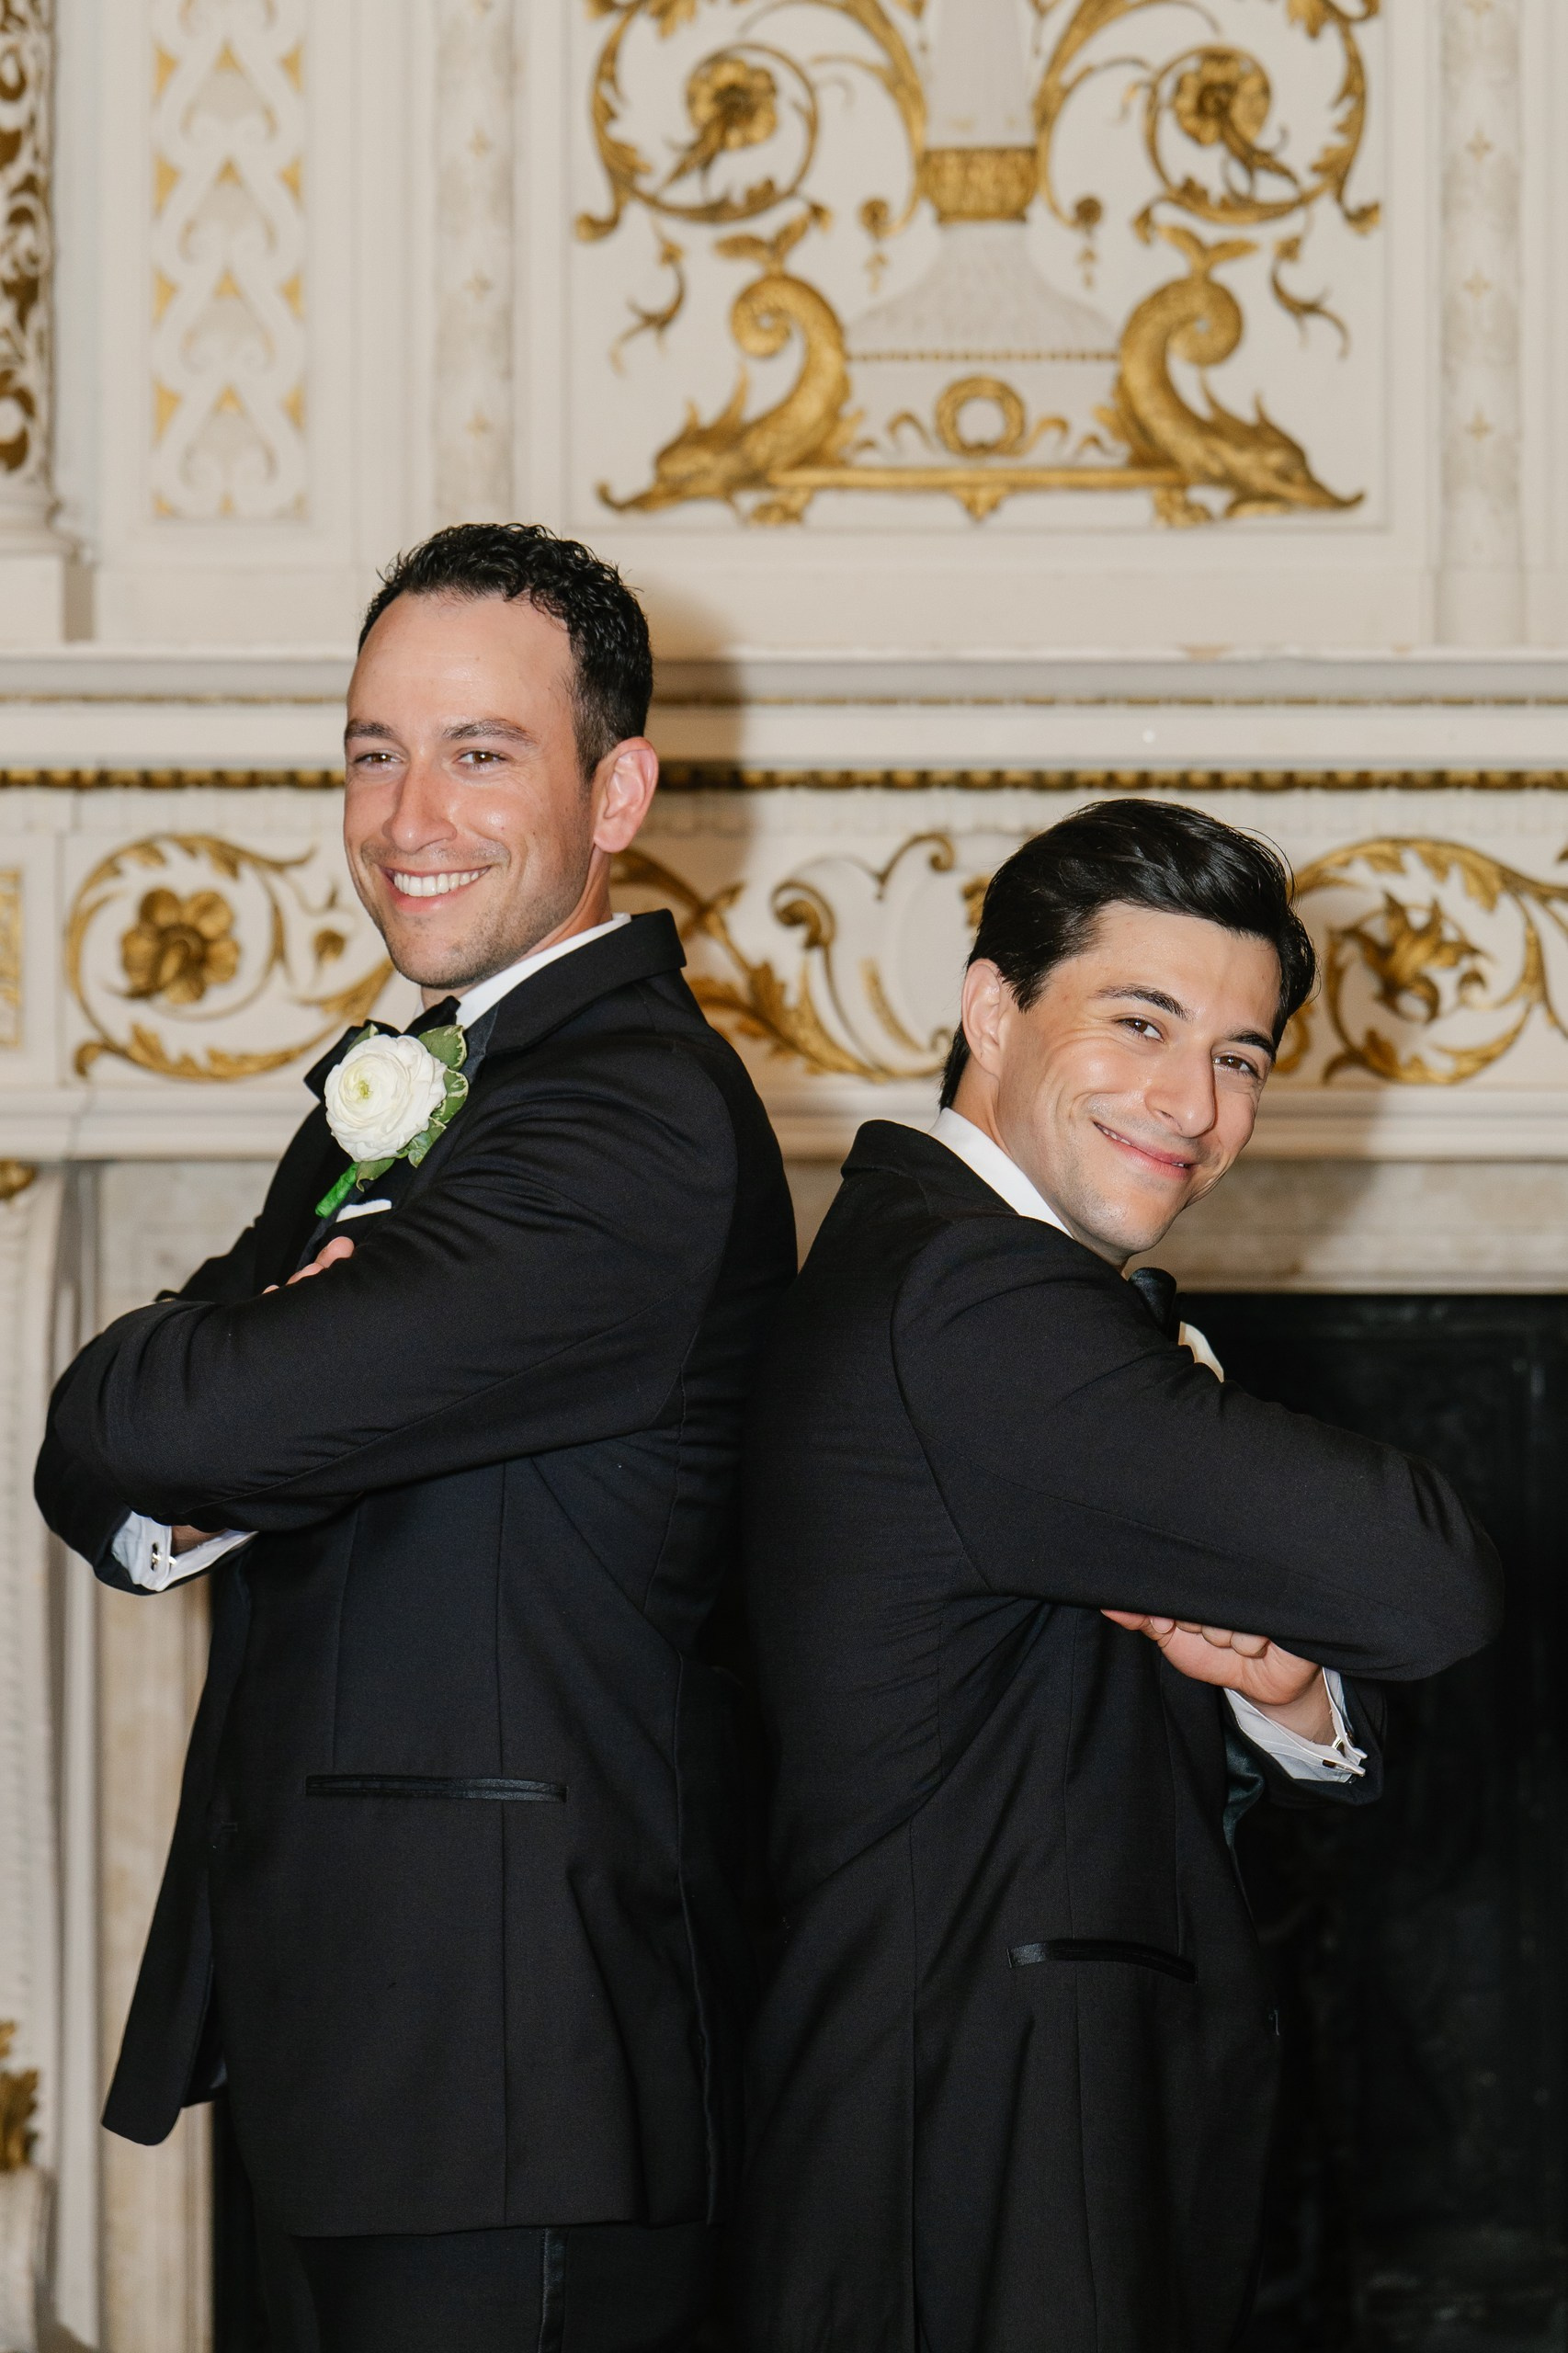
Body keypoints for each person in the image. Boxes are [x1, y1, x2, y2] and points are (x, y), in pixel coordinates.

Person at [36, 523, 797, 2353]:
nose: (405, 816)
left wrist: (236, 1395)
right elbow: (90, 1442)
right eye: (373, 750)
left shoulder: (625, 1117)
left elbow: (167, 1403)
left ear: (618, 792)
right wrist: (242, 1397)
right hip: (384, 2057)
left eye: (479, 752)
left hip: (518, 2073)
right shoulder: (431, 1085)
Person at [735, 801, 1502, 2353]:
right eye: (1138, 1023)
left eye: (1239, 1058)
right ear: (990, 1008)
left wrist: (1287, 1691)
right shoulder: (972, 1297)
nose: (1190, 1103)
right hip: (981, 2159)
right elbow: (1431, 1582)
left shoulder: (940, 1273)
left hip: (989, 2127)